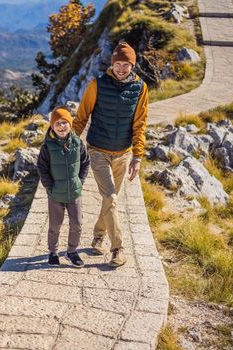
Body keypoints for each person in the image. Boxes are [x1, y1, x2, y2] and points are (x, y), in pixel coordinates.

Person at [73, 41, 149, 268]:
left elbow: (140, 124)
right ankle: (118, 249)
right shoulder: (97, 84)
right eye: (118, 63)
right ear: (112, 63)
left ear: (132, 65)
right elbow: (81, 116)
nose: (121, 68)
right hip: (98, 150)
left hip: (123, 154)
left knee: (109, 200)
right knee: (112, 199)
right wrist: (69, 145)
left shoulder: (141, 88)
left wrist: (137, 156)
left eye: (126, 64)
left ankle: (98, 235)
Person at [37, 107, 90, 267]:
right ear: (52, 126)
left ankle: (72, 252)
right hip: (55, 195)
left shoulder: (77, 143)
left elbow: (86, 162)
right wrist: (50, 187)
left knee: (77, 224)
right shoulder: (47, 147)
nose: (61, 126)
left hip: (74, 193)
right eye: (57, 123)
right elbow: (42, 168)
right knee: (55, 225)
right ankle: (53, 252)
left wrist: (79, 181)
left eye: (64, 122)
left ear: (70, 124)